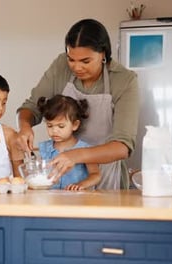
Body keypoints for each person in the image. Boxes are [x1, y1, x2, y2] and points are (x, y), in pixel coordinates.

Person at [15, 18, 139, 189]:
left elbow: (122, 147)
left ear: (103, 54)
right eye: (71, 59)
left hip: (105, 176)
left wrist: (76, 155)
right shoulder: (60, 66)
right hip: (63, 174)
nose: (77, 67)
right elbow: (30, 107)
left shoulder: (124, 80)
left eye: (85, 61)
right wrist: (24, 127)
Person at [36, 95, 100, 190]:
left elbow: (96, 175)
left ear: (75, 125)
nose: (54, 131)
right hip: (50, 200)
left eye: (61, 126)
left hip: (77, 200)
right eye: (49, 126)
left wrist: (81, 184)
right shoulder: (44, 148)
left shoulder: (85, 149)